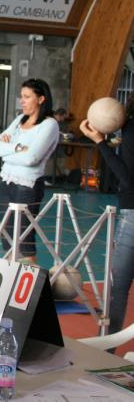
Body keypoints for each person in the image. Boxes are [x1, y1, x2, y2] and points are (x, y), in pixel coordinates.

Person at [80, 97, 134, 335]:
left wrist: (100, 142)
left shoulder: (131, 128)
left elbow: (127, 177)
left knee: (118, 289)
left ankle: (106, 350)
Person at [0, 78, 59, 263]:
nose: (22, 101)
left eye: (27, 97)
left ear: (41, 99)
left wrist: (7, 151)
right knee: (7, 237)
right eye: (21, 96)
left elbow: (31, 158)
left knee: (24, 239)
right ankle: (11, 277)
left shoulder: (49, 125)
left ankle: (30, 280)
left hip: (27, 186)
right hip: (7, 182)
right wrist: (18, 148)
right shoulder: (19, 120)